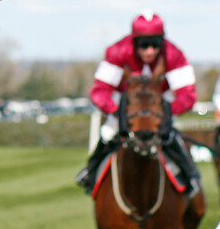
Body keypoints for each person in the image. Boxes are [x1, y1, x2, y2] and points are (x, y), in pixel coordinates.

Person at [76, 11, 201, 196]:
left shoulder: (173, 54)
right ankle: (90, 173)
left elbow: (188, 95)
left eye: (155, 44)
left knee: (171, 136)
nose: (149, 51)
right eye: (143, 45)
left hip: (158, 104)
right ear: (134, 42)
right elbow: (99, 91)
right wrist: (115, 110)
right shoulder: (118, 51)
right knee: (108, 132)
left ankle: (191, 175)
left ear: (162, 41)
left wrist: (168, 110)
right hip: (126, 104)